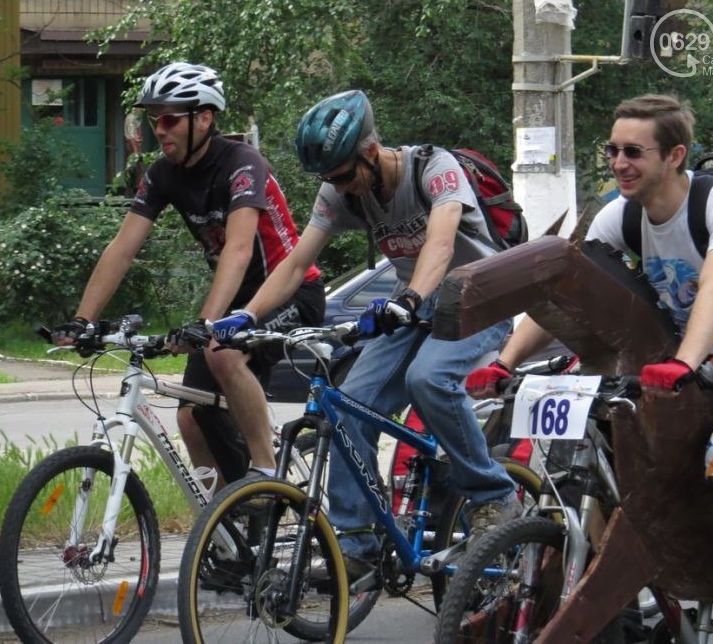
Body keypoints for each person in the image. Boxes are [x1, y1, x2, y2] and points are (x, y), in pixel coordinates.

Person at [466, 93, 713, 642]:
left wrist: (683, 362)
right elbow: (568, 296)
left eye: (634, 152)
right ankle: (616, 602)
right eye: (613, 150)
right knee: (611, 459)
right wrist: (503, 362)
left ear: (674, 156)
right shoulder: (619, 214)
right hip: (680, 363)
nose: (619, 162)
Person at [214, 89, 518, 577]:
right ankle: (357, 544)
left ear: (371, 153)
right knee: (349, 403)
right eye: (329, 179)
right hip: (414, 309)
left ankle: (494, 496)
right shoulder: (340, 189)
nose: (338, 187)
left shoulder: (435, 168)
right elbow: (296, 265)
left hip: (477, 300)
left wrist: (410, 298)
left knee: (428, 379)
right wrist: (246, 315)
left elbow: (440, 245)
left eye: (342, 174)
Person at [52, 62, 324, 484]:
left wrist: (205, 323)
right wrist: (82, 320)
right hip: (234, 302)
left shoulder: (242, 163)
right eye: (153, 119)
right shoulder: (163, 174)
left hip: (289, 293)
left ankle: (265, 474)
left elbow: (237, 250)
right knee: (193, 418)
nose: (159, 130)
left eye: (169, 119)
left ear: (204, 118)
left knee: (222, 351)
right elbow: (122, 249)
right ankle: (227, 525)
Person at [123, 108, 145, 196]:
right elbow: (131, 135)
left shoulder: (137, 118)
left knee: (137, 168)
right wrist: (135, 150)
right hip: (133, 143)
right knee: (134, 167)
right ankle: (132, 190)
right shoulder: (131, 118)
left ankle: (134, 190)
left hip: (137, 143)